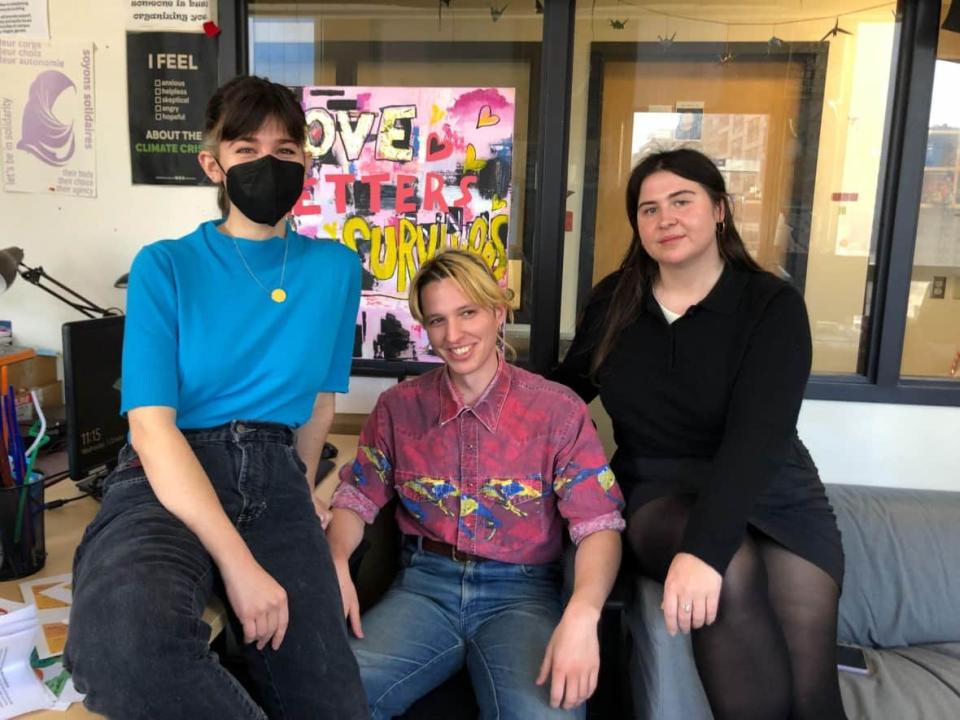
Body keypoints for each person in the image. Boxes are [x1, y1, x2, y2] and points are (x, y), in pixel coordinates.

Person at [63, 76, 368, 720]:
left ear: (308, 164)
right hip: (169, 473)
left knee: (332, 700)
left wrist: (301, 492)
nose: (269, 164)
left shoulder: (337, 269)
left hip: (277, 471)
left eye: (287, 151)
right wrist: (240, 563)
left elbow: (317, 404)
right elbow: (150, 427)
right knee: (122, 649)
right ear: (213, 164)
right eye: (247, 149)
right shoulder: (165, 265)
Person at [554, 148, 848, 720]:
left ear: (718, 210)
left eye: (682, 201)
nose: (666, 219)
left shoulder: (771, 305)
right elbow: (566, 391)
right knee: (730, 572)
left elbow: (756, 441)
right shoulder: (616, 302)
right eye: (648, 209)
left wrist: (703, 550)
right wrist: (486, 382)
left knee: (809, 686)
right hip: (661, 494)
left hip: (773, 494)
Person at [325, 249, 626, 720]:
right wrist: (337, 556)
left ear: (498, 311)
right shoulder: (399, 407)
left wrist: (583, 614)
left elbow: (600, 525)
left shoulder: (557, 411)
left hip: (523, 594)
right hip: (424, 587)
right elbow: (356, 496)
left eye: (468, 313)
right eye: (438, 320)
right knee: (328, 696)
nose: (454, 335)